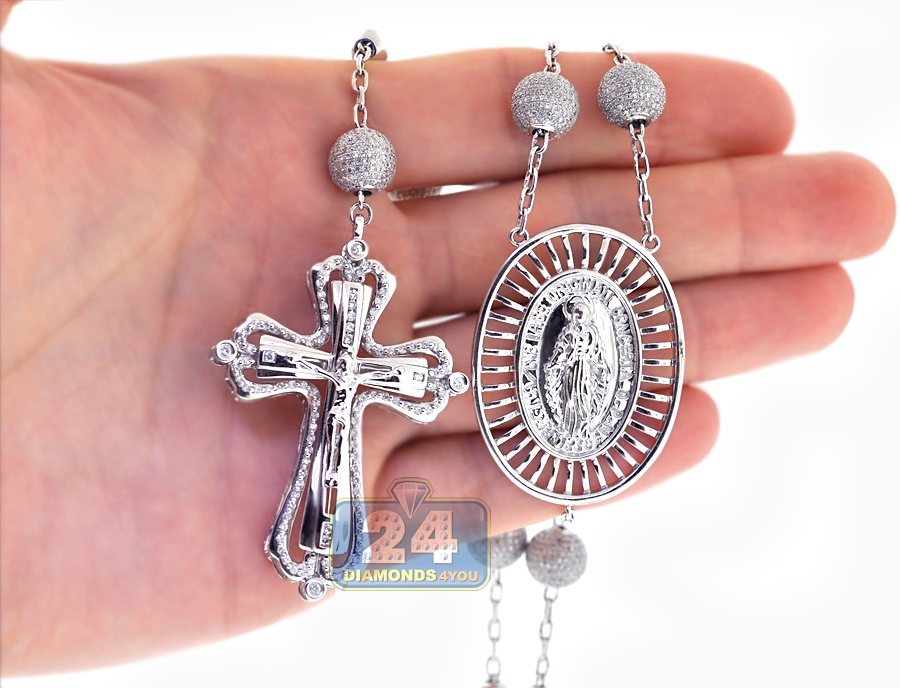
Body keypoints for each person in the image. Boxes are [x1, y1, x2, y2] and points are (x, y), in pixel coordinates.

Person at [0, 0, 894, 677]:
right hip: (354, 395)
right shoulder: (343, 343)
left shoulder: (426, 370)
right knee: (401, 491)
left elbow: (432, 381)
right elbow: (317, 364)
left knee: (422, 504)